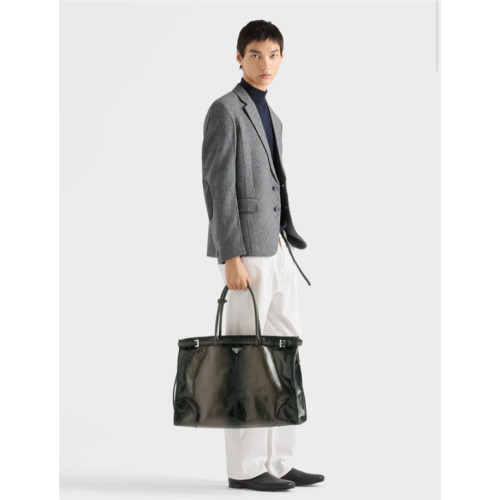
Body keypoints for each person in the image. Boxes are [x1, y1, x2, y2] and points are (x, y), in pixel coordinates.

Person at [201, 20, 324, 492]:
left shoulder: (273, 116)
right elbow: (218, 186)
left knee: (283, 353)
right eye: (255, 55)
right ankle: (245, 468)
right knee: (246, 358)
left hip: (278, 248)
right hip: (246, 254)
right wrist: (229, 254)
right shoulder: (224, 110)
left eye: (273, 55)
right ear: (239, 57)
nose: (265, 64)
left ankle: (279, 460)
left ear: (282, 59)